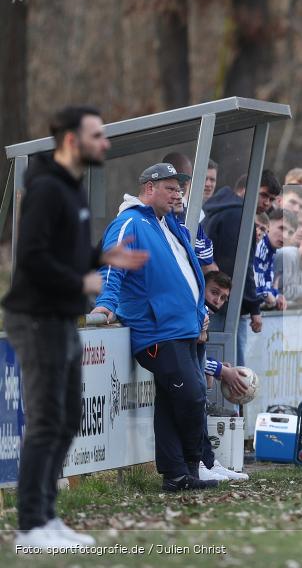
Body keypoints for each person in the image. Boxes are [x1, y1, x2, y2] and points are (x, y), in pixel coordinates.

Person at [2, 106, 147, 549]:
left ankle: (47, 517)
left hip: (62, 318)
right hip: (36, 318)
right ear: (71, 140)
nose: (105, 143)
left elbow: (65, 252)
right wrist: (80, 281)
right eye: (97, 135)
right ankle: (31, 526)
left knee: (67, 420)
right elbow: (32, 258)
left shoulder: (72, 188)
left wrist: (99, 258)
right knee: (46, 421)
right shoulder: (46, 189)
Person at [95, 162, 216, 492]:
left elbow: (189, 273)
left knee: (173, 402)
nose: (178, 195)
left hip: (185, 328)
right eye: (171, 188)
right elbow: (113, 265)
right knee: (191, 397)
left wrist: (199, 313)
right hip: (158, 331)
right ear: (149, 188)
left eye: (179, 189)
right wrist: (106, 303)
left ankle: (179, 475)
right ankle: (192, 463)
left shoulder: (170, 224)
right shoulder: (130, 222)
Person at [203, 169, 282, 365]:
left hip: (214, 302)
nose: (267, 203)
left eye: (272, 199)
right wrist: (254, 308)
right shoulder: (238, 215)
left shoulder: (223, 210)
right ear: (246, 189)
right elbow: (239, 268)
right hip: (222, 307)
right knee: (230, 371)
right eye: (263, 195)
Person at [196, 270, 250, 481]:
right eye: (214, 292)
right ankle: (198, 463)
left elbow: (197, 356)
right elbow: (186, 351)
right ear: (202, 288)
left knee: (200, 404)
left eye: (223, 297)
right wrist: (221, 370)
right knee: (192, 406)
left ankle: (209, 462)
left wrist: (213, 369)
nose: (217, 300)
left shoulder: (204, 314)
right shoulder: (194, 312)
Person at [163, 151, 219, 274]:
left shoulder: (206, 213)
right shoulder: (175, 212)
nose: (208, 184)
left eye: (212, 180)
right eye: (204, 178)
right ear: (190, 180)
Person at [254, 209, 295, 311]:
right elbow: (255, 279)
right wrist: (267, 294)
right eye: (282, 228)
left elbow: (267, 278)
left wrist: (276, 296)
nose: (285, 236)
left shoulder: (271, 250)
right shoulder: (260, 244)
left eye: (290, 233)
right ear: (268, 225)